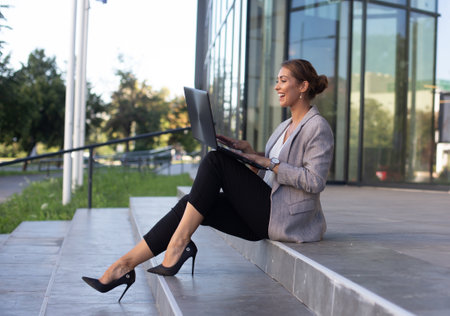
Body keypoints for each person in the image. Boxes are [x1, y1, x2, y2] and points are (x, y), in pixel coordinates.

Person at [82, 59, 334, 302]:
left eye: (283, 80)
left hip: (285, 218)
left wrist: (269, 162)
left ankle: (178, 245)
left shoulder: (317, 127)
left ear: (302, 87)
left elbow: (314, 181)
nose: (277, 86)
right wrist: (252, 153)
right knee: (191, 203)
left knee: (216, 162)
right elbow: (271, 173)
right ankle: (123, 265)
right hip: (266, 210)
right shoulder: (285, 126)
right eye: (276, 81)